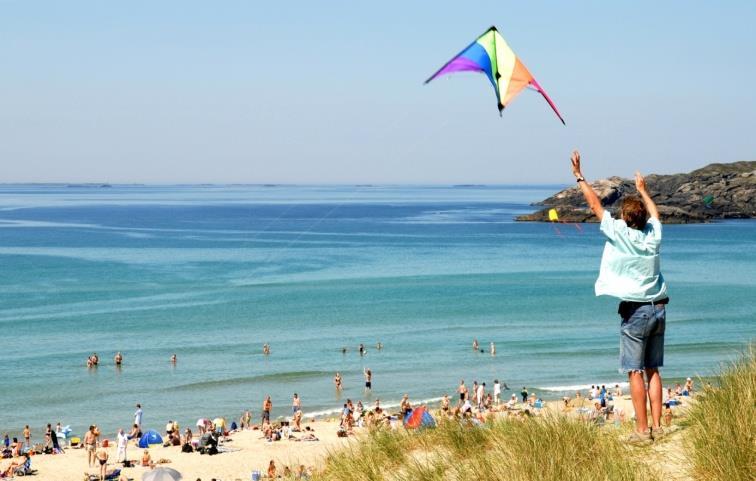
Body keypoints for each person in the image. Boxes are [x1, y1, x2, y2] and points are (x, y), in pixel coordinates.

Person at [571, 150, 668, 445]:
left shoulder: (619, 233)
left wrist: (579, 176)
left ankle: (641, 432)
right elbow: (655, 214)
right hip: (659, 308)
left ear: (625, 218)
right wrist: (643, 191)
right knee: (652, 370)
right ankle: (658, 426)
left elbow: (594, 204)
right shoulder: (653, 236)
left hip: (636, 312)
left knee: (634, 371)